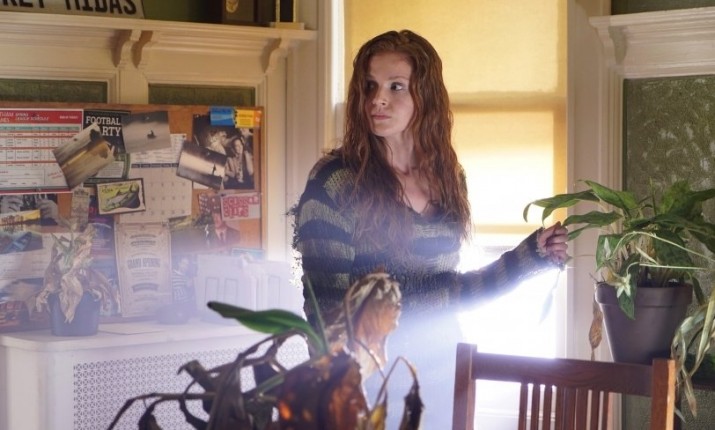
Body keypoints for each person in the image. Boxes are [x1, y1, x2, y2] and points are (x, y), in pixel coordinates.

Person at [290, 30, 569, 428]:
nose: (377, 99)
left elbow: (448, 293)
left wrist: (531, 255)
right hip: (368, 397)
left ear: (426, 96)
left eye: (395, 86)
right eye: (369, 86)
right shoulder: (335, 183)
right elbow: (326, 317)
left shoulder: (448, 179)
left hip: (441, 385)